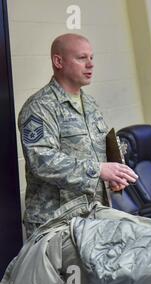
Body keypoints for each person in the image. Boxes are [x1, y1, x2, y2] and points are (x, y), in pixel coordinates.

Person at [18, 33, 138, 238]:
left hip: (93, 217)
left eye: (92, 58)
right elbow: (41, 161)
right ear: (58, 61)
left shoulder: (90, 104)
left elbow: (99, 151)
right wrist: (98, 170)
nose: (90, 65)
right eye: (82, 58)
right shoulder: (39, 108)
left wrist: (114, 176)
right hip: (56, 223)